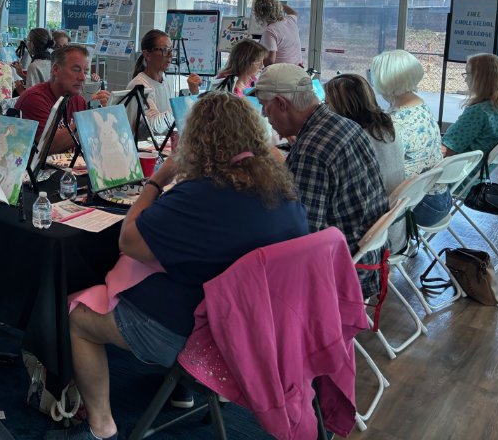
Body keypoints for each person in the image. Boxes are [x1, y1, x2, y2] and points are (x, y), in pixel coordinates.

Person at [56, 92, 309, 440]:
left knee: (77, 317)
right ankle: (181, 388)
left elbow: (127, 241)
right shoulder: (281, 189)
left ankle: (101, 426)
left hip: (202, 331)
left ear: (197, 139)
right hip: (262, 326)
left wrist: (157, 181)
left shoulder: (201, 194)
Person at [255, 64, 388, 299]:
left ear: (282, 104)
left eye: (265, 108)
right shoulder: (346, 125)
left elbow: (300, 234)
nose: (265, 116)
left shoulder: (311, 151)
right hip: (368, 256)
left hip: (341, 271)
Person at [325, 73, 406, 252]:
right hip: (394, 230)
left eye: (328, 103)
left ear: (341, 107)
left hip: (372, 240)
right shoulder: (388, 128)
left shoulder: (354, 140)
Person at [370, 49, 448, 226]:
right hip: (439, 196)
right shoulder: (419, 105)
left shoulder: (396, 123)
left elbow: (380, 165)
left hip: (419, 206)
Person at [14, 45, 111, 154]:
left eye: (85, 71)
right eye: (76, 70)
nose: (83, 77)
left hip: (73, 169)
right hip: (44, 170)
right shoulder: (33, 99)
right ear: (56, 70)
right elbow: (49, 146)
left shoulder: (78, 100)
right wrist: (91, 117)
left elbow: (92, 143)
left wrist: (106, 115)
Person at [127, 29, 200, 135]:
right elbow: (156, 126)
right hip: (146, 148)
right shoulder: (139, 85)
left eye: (171, 50)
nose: (170, 54)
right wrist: (183, 103)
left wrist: (194, 94)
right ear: (147, 54)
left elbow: (173, 123)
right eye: (165, 50)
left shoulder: (167, 80)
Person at [442, 53, 498, 159]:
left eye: (468, 74)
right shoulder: (497, 107)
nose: (465, 79)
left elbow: (447, 149)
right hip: (485, 170)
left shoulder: (479, 112)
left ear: (480, 79)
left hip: (462, 171)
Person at [252, 0, 302, 67]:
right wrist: (277, 3)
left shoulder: (270, 31)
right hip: (298, 71)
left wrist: (257, 57)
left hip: (281, 74)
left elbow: (270, 62)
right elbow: (293, 12)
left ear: (259, 14)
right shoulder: (290, 20)